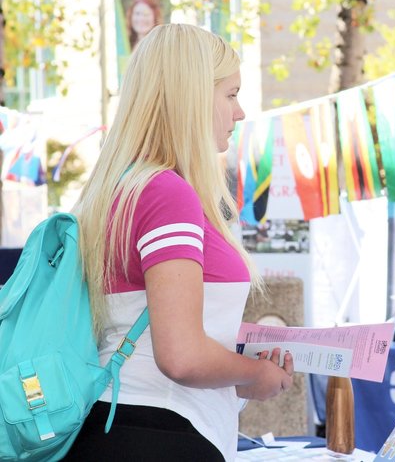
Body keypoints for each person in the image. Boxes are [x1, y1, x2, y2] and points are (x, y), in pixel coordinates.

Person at [64, 24, 294, 461]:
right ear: (192, 97)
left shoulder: (121, 188)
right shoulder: (166, 193)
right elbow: (182, 356)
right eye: (231, 94)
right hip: (162, 431)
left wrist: (240, 373)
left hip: (120, 424)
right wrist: (255, 374)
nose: (240, 112)